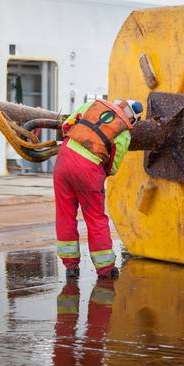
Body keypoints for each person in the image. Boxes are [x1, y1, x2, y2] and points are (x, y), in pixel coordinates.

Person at [54, 98, 143, 279]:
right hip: (89, 169)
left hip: (64, 158)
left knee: (64, 214)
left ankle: (70, 266)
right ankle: (106, 269)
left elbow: (67, 125)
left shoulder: (92, 105)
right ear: (132, 119)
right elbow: (113, 167)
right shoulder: (124, 134)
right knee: (95, 218)